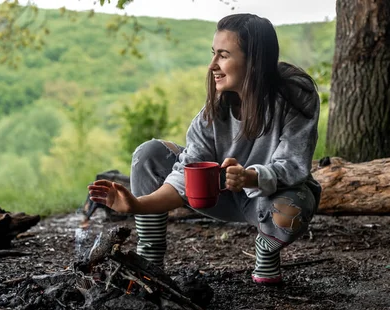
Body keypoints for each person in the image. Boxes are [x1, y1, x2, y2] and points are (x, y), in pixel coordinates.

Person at [87, 13, 321, 285]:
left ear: (254, 61)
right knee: (148, 155)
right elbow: (184, 176)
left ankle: (267, 250)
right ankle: (149, 262)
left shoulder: (295, 94)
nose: (212, 65)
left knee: (293, 206)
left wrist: (249, 177)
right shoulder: (211, 113)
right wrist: (137, 204)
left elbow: (293, 165)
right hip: (217, 195)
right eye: (213, 54)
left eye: (223, 55)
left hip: (268, 198)